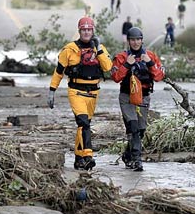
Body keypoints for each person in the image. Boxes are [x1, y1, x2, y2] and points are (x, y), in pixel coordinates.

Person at [47, 16, 112, 171]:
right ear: (79, 31)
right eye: (84, 30)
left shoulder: (99, 48)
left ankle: (78, 158)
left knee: (83, 126)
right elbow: (59, 71)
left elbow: (108, 67)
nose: (87, 32)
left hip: (93, 93)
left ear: (93, 30)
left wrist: (99, 49)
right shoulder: (69, 49)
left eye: (89, 29)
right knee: (83, 122)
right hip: (76, 91)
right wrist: (52, 90)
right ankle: (88, 156)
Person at [111, 27, 164, 171]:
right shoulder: (121, 57)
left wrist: (150, 64)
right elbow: (115, 77)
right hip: (127, 97)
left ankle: (128, 155)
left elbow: (159, 76)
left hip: (143, 97)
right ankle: (137, 160)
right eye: (132, 40)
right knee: (133, 127)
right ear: (128, 41)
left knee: (141, 130)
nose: (135, 42)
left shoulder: (151, 56)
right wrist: (127, 64)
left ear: (142, 40)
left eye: (138, 39)